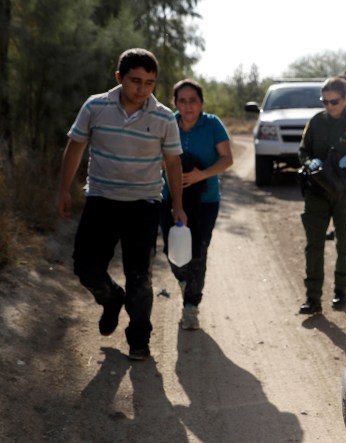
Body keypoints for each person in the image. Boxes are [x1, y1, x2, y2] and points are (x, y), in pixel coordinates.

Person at [57, 48, 185, 361]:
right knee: (85, 267)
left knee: (140, 276)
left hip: (143, 205)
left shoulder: (164, 117)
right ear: (119, 78)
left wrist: (177, 205)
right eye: (135, 81)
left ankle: (139, 339)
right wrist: (63, 191)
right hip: (101, 200)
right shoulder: (95, 106)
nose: (142, 89)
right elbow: (75, 148)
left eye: (149, 82)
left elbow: (173, 164)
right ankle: (112, 299)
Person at [159, 79, 232, 330]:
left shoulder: (212, 124)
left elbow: (227, 159)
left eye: (193, 100)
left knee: (198, 252)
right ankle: (184, 279)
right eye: (182, 101)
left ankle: (191, 307)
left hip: (205, 200)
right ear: (175, 103)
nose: (188, 106)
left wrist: (201, 174)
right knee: (174, 252)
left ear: (201, 103)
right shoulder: (167, 123)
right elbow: (157, 158)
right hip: (169, 197)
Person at [297, 76, 346, 314]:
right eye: (324, 102)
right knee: (314, 245)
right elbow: (303, 150)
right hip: (318, 191)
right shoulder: (316, 122)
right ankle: (312, 298)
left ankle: (340, 291)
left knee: (345, 244)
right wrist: (308, 161)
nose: (328, 106)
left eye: (333, 101)